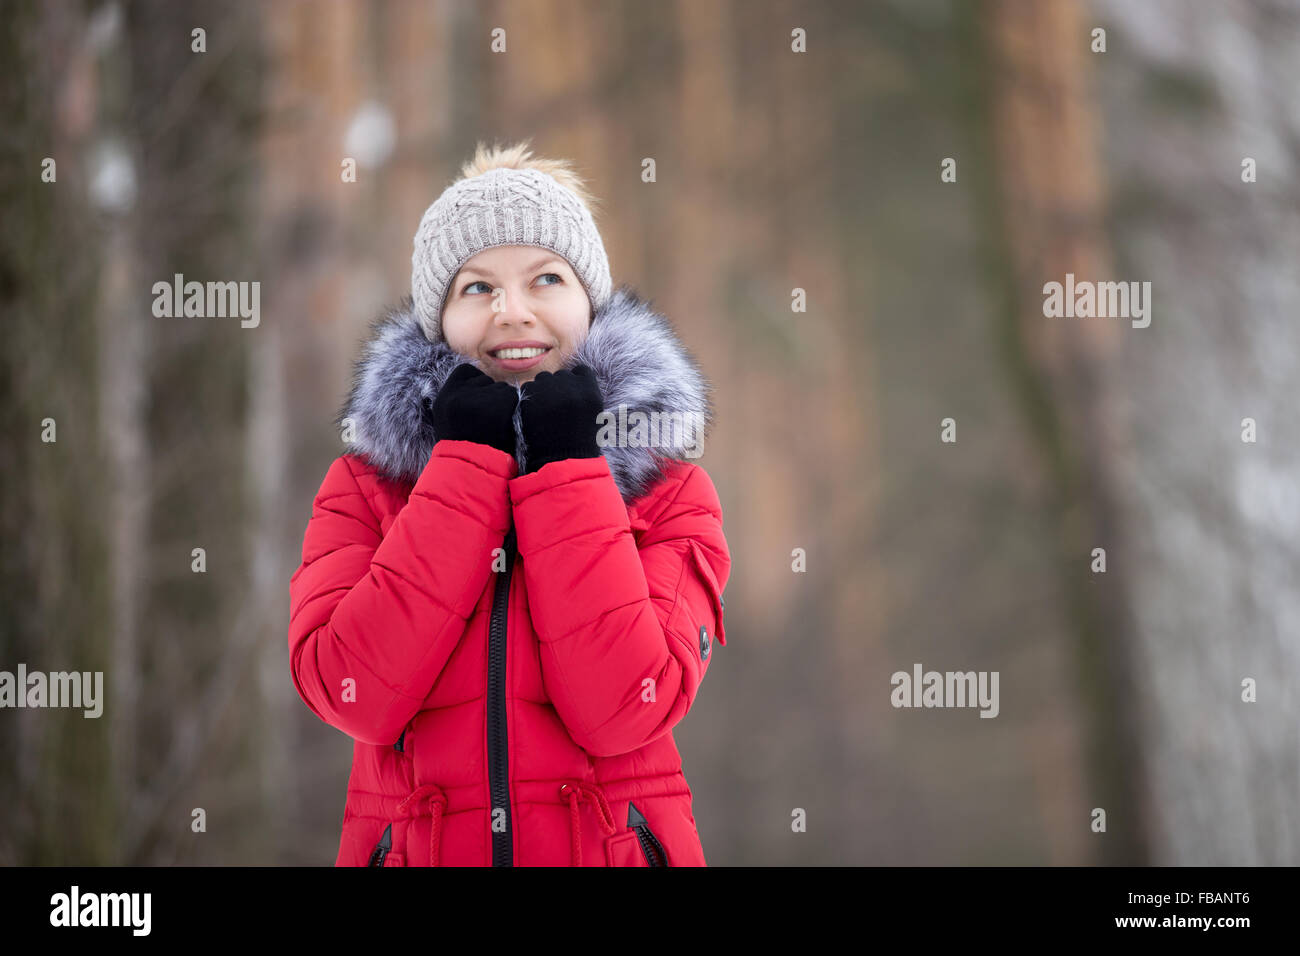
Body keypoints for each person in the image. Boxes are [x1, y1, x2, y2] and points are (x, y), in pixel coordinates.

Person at [288, 140, 731, 866]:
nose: (513, 312)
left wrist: (568, 467)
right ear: (440, 320)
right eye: (477, 287)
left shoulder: (670, 495)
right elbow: (352, 691)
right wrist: (464, 469)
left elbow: (628, 706)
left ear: (589, 302)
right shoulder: (363, 490)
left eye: (546, 278)